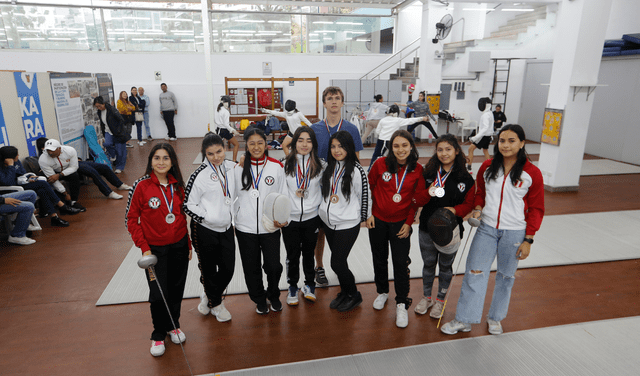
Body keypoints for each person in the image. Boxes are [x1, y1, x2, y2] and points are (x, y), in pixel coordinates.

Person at [441, 124, 545, 336]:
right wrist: (478, 208)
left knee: (506, 277)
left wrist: (529, 239)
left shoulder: (532, 173)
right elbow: (480, 194)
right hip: (487, 228)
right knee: (474, 272)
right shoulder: (487, 166)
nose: (505, 145)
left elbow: (537, 208)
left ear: (522, 143)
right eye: (502, 141)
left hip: (515, 232)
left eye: (511, 141)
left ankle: (495, 317)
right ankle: (465, 319)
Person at [126, 143, 191, 357]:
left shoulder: (178, 185)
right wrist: (144, 248)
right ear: (150, 161)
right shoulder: (141, 186)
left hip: (179, 246)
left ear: (172, 161)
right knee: (157, 294)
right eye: (157, 158)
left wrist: (188, 244)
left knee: (176, 288)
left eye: (165, 158)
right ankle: (157, 334)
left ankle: (173, 325)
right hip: (154, 251)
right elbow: (131, 219)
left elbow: (182, 218)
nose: (161, 162)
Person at [366, 130, 428, 328]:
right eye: (396, 146)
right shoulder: (379, 164)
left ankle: (401, 302)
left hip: (401, 223)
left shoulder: (418, 169)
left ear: (411, 146)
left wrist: (409, 223)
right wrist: (370, 214)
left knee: (401, 263)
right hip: (378, 221)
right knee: (379, 258)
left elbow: (416, 200)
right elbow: (370, 187)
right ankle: (382, 292)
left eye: (404, 145)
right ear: (391, 147)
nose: (400, 150)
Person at [414, 134, 475, 319]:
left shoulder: (465, 178)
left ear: (457, 151)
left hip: (450, 231)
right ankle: (427, 297)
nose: (444, 153)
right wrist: (429, 190)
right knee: (428, 264)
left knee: (446, 267)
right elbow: (418, 199)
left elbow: (469, 205)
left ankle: (440, 301)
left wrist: (455, 210)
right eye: (440, 150)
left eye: (448, 149)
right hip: (426, 227)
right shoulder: (428, 173)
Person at [310, 86, 364, 287]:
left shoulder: (350, 128)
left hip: (342, 187)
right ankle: (319, 267)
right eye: (330, 98)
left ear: (342, 103)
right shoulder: (315, 129)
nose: (333, 101)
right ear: (324, 103)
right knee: (321, 231)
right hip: (319, 187)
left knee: (338, 229)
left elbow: (357, 161)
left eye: (337, 98)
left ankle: (340, 266)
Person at [233, 127, 287, 314]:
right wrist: (234, 220)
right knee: (251, 267)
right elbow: (230, 197)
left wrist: (282, 218)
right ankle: (259, 299)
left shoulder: (276, 167)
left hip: (270, 227)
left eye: (260, 143)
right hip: (245, 228)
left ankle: (273, 295)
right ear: (246, 146)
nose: (256, 147)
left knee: (274, 266)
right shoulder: (237, 169)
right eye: (251, 143)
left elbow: (283, 195)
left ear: (266, 144)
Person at [184, 133, 236, 322]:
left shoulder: (232, 168)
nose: (216, 157)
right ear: (204, 154)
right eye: (211, 153)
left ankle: (209, 295)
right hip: (204, 229)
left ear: (225, 149)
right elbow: (187, 204)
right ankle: (216, 303)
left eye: (219, 151)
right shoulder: (198, 175)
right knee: (208, 269)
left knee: (228, 269)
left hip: (226, 227)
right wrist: (209, 217)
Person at [319, 130, 370, 312]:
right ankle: (345, 291)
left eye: (340, 146)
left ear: (349, 147)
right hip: (329, 222)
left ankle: (354, 295)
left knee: (336, 263)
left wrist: (364, 217)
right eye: (333, 146)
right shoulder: (328, 167)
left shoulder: (356, 171)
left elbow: (365, 195)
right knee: (341, 261)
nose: (336, 150)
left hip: (347, 224)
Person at [282, 127, 324, 305]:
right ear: (294, 142)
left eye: (308, 140)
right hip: (290, 219)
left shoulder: (321, 165)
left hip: (311, 217)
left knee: (308, 253)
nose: (304, 144)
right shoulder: (283, 164)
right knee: (292, 255)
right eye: (300, 140)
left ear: (313, 143)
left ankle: (309, 284)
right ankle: (292, 286)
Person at [0, 146, 81, 227]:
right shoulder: (3, 166)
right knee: (43, 184)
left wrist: (29, 177)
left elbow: (23, 173)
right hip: (12, 190)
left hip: (21, 184)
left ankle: (54, 217)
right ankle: (61, 205)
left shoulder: (16, 162)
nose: (18, 156)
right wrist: (10, 166)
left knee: (42, 190)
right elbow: (8, 182)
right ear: (9, 157)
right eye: (16, 155)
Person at [369, 105, 428, 169]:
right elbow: (410, 120)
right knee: (395, 155)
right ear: (396, 113)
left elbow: (377, 131)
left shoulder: (382, 120)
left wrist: (384, 134)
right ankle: (398, 169)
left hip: (381, 140)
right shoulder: (398, 120)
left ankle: (370, 169)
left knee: (376, 155)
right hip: (392, 141)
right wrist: (422, 118)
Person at [38, 139, 86, 212]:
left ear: (59, 148)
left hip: (66, 171)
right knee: (48, 181)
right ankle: (62, 203)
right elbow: (53, 178)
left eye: (52, 150)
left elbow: (74, 167)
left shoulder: (70, 151)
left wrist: (60, 175)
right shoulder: (43, 159)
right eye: (48, 150)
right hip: (53, 173)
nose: (50, 153)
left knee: (75, 176)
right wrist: (65, 193)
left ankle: (73, 201)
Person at [94, 96, 128, 174]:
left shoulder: (111, 109)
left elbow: (121, 120)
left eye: (100, 106)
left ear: (104, 103)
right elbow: (103, 123)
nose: (99, 108)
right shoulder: (99, 112)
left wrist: (119, 131)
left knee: (120, 151)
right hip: (108, 131)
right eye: (97, 107)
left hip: (117, 132)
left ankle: (119, 167)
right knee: (107, 144)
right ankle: (113, 155)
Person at [466, 97, 494, 171]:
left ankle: (469, 166)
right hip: (487, 136)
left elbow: (485, 128)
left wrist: (475, 137)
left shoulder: (485, 115)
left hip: (483, 136)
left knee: (470, 149)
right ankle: (491, 166)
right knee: (485, 150)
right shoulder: (490, 113)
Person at [213, 96, 241, 162]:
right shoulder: (225, 112)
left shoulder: (217, 109)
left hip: (218, 130)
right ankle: (234, 160)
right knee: (236, 144)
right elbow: (226, 125)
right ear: (227, 103)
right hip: (224, 130)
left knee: (219, 147)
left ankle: (219, 160)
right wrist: (234, 131)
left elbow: (215, 120)